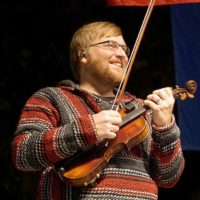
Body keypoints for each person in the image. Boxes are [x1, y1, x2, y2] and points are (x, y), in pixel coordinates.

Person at [12, 21, 185, 200]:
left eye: (125, 50)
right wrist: (85, 130)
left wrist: (166, 129)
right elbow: (22, 154)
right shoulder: (51, 98)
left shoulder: (143, 109)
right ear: (83, 54)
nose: (121, 54)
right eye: (110, 45)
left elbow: (168, 178)